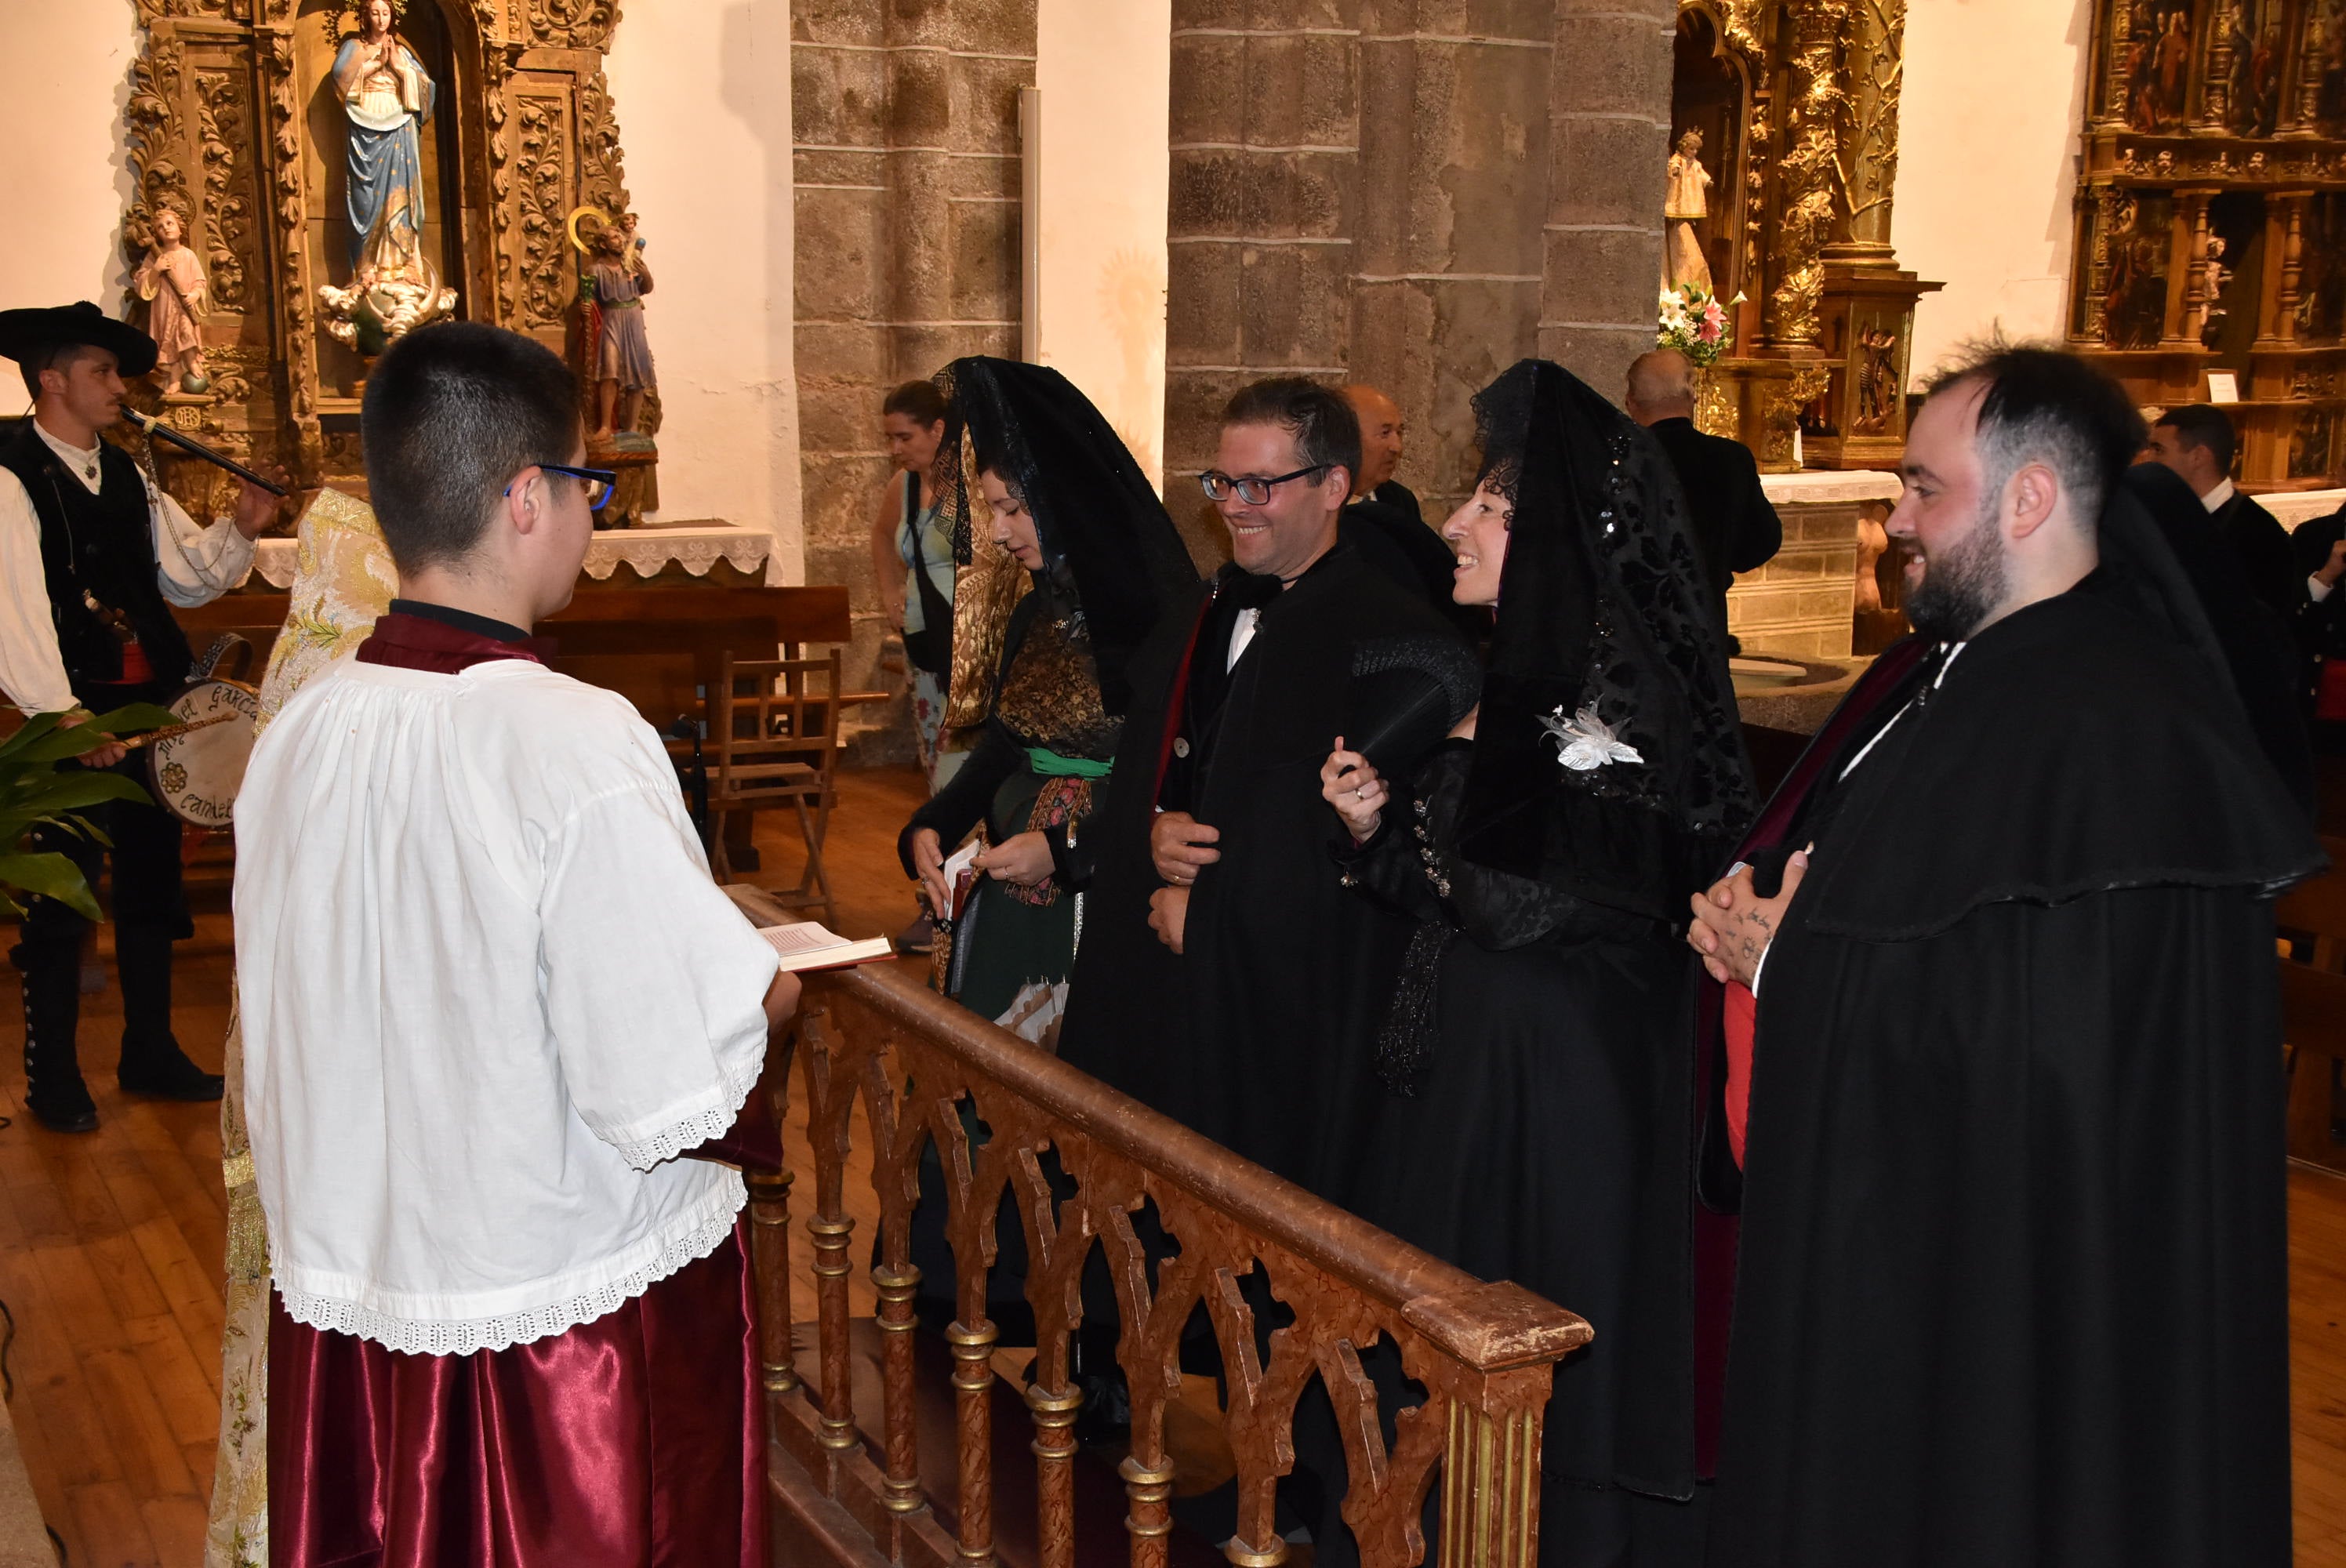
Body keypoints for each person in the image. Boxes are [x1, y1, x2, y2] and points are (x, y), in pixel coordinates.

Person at [1687, 343, 2321, 1567]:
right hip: (1951, 1269)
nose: (1895, 520)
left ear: (2029, 499)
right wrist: (1767, 942)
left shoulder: (2114, 728)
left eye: (1924, 488)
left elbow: (2035, 1051)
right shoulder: (1966, 685)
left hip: (2035, 1301)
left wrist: (1785, 972)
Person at [236, 321, 797, 1563]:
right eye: (591, 487)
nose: (595, 520)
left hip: (357, 1297)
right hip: (554, 1333)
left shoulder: (303, 730)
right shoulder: (572, 739)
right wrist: (770, 992)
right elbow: (660, 1078)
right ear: (529, 496)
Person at [1319, 360, 1753, 1565]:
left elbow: (1515, 912)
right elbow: (1454, 896)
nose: (1456, 522)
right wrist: (1375, 831)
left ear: (1557, 540)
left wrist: (1457, 758)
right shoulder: (1527, 691)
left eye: (1492, 509)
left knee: (1518, 1341)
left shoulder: (1609, 709)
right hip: (1478, 1070)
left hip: (1554, 1097)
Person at [1055, 377, 1467, 1200]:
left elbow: (1371, 850)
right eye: (1222, 482)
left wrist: (1213, 915)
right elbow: (1162, 761)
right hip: (1165, 980)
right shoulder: (1203, 609)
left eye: (1259, 485)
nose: (1234, 506)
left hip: (1278, 1013)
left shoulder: (1394, 641)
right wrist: (1155, 823)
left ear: (1334, 485)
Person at [0, 300, 278, 1133]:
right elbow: (13, 611)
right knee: (64, 898)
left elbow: (184, 578)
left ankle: (149, 1051)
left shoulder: (125, 472)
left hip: (149, 709)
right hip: (70, 716)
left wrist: (241, 527)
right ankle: (54, 1077)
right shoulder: (12, 476)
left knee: (153, 887)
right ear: (52, 380)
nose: (120, 387)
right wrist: (65, 718)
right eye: (103, 372)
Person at [899, 357, 1196, 1036]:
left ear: (1067, 501)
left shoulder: (1154, 622)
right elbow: (1009, 743)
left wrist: (1065, 849)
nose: (999, 532)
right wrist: (934, 822)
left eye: (1013, 509)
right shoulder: (1036, 613)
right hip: (1014, 883)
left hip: (1105, 891)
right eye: (991, 510)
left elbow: (1170, 780)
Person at [1625, 348, 1781, 647]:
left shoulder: (1618, 461)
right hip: (1704, 629)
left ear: (1631, 402)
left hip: (1634, 634)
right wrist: (1716, 563)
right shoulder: (1731, 458)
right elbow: (1762, 542)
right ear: (1693, 397)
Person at [1338, 382, 1484, 637]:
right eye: (1385, 433)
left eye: (1399, 432)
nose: (1397, 447)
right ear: (1342, 438)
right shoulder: (1318, 507)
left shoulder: (1399, 500)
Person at [2146, 402, 2299, 616]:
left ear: (2198, 456)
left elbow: (2264, 621)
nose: (2148, 460)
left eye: (2159, 450)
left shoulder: (2260, 535)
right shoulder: (2158, 515)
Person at [588, 219, 656, 438]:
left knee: (638, 372)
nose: (620, 239)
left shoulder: (631, 264)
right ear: (604, 244)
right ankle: (605, 426)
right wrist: (585, 303)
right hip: (612, 318)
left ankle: (632, 427)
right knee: (609, 371)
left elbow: (646, 288)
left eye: (620, 235)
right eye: (614, 237)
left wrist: (645, 274)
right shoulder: (596, 270)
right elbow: (587, 297)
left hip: (633, 317)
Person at [133, 207, 209, 394]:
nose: (166, 228)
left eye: (169, 223)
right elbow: (141, 281)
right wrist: (156, 269)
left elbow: (200, 281)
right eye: (160, 227)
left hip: (184, 305)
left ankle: (192, 362)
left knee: (186, 331)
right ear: (156, 234)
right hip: (164, 307)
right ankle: (174, 379)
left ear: (180, 228)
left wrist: (195, 294)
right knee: (168, 341)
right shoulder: (155, 256)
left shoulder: (188, 255)